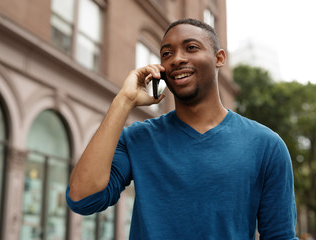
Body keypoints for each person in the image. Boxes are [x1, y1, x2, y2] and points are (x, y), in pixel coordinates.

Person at [66, 18, 298, 239]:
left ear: (219, 58)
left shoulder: (267, 145)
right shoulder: (138, 138)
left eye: (191, 48)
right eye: (167, 53)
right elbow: (83, 199)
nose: (176, 59)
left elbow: (279, 236)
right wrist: (123, 101)